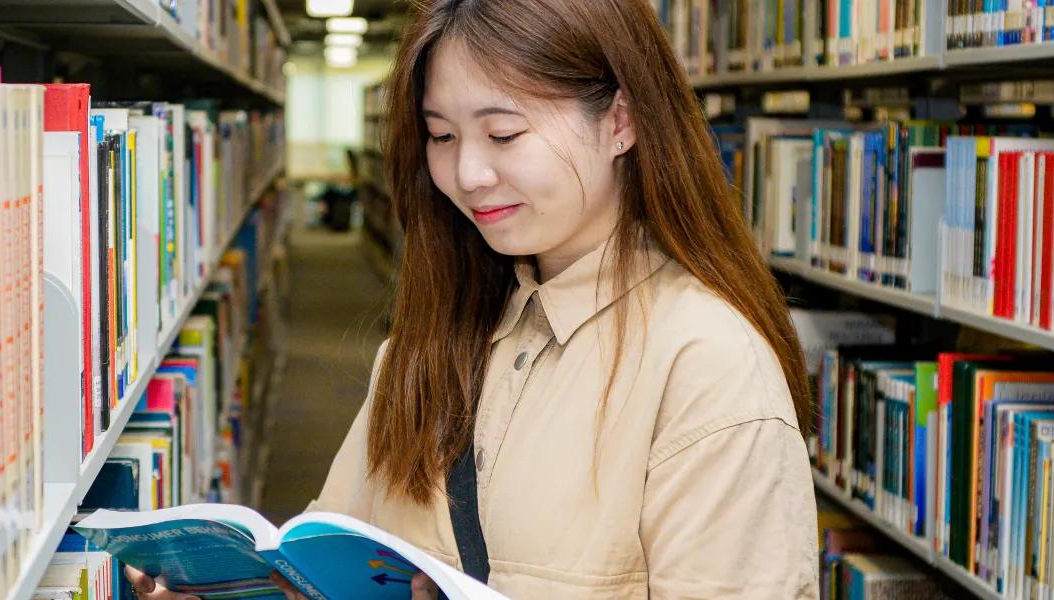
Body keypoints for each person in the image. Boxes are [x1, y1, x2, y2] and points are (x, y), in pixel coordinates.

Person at [128, 0, 818, 597]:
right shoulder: (426, 341)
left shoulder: (709, 367)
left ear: (621, 122)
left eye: (504, 133)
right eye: (442, 136)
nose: (467, 173)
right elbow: (323, 559)